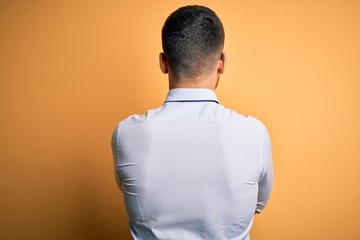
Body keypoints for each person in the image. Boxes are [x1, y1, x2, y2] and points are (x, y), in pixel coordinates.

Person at [112, 5, 274, 240]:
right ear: (222, 63)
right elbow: (257, 204)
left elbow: (128, 189)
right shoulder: (254, 133)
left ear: (163, 62)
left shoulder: (125, 134)